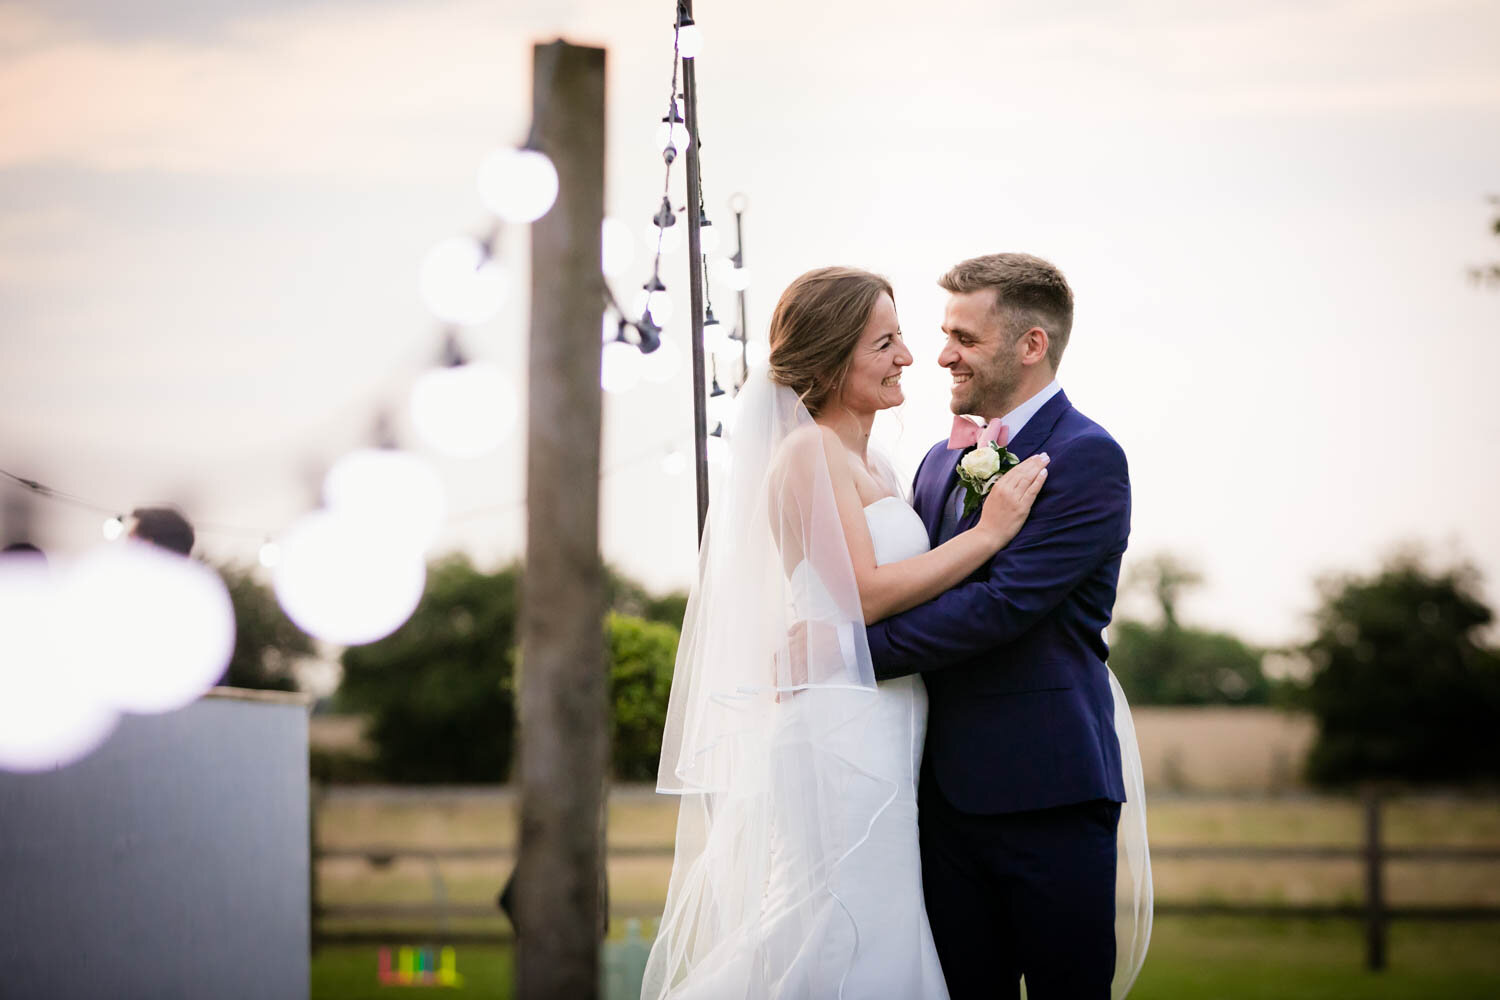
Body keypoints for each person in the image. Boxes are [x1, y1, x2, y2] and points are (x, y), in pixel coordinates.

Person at [644, 263, 1148, 1000]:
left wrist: (844, 653)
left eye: (961, 337)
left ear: (1031, 344)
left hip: (1043, 787)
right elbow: (881, 588)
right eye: (919, 337)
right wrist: (848, 645)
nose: (933, 354)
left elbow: (1004, 605)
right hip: (922, 784)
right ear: (833, 355)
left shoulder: (1084, 458)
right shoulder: (935, 465)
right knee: (871, 946)